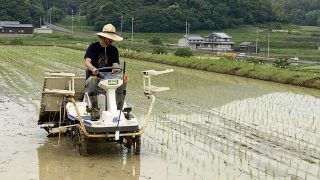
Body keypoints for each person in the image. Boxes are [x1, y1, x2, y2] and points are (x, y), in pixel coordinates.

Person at [83, 24, 124, 116]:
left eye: (112, 38)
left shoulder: (114, 50)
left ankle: (118, 110)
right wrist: (93, 69)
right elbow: (87, 62)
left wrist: (116, 69)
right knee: (93, 81)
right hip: (95, 76)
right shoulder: (93, 47)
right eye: (109, 38)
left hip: (109, 78)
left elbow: (115, 65)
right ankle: (95, 110)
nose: (111, 40)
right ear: (103, 37)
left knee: (122, 82)